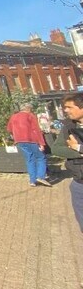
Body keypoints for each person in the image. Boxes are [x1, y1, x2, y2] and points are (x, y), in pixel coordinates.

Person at [6, 103, 51, 187]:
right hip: (31, 140)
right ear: (28, 109)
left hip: (20, 141)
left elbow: (9, 129)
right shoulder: (30, 116)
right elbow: (36, 130)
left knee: (30, 159)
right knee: (41, 158)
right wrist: (41, 143)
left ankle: (32, 181)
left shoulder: (13, 116)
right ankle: (40, 176)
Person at [61, 93, 83, 232]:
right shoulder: (69, 126)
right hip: (79, 180)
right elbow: (57, 147)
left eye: (70, 107)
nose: (66, 110)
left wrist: (78, 148)